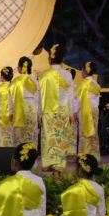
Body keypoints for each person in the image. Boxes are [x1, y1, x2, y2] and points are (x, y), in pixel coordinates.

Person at [39, 44, 75, 175]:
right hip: (63, 110)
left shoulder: (44, 75)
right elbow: (71, 96)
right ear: (62, 59)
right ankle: (58, 167)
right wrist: (72, 113)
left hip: (48, 110)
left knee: (49, 138)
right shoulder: (67, 75)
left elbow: (40, 96)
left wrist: (39, 113)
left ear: (50, 59)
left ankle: (50, 163)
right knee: (60, 138)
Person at [10, 56, 39, 145]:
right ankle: (31, 155)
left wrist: (10, 111)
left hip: (18, 109)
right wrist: (38, 114)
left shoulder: (15, 81)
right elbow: (38, 98)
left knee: (19, 135)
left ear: (19, 67)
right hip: (32, 109)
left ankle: (19, 155)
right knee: (30, 134)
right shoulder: (34, 80)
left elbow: (10, 98)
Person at [74, 62, 101, 160]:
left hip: (84, 111)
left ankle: (84, 155)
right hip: (94, 110)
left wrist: (75, 112)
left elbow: (77, 100)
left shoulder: (82, 84)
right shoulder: (96, 84)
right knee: (93, 133)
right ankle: (94, 156)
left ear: (85, 71)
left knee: (84, 133)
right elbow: (97, 100)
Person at [0, 67, 14, 147]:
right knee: (11, 137)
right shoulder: (14, 86)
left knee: (1, 138)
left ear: (2, 76)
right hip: (13, 116)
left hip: (1, 116)